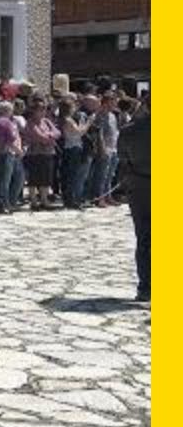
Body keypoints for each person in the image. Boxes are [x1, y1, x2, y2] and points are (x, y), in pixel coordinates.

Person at [117, 94, 149, 302]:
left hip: (140, 186)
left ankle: (146, 287)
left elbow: (123, 160)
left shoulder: (130, 130)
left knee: (145, 238)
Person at [21, 98, 60, 210]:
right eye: (40, 109)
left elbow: (58, 132)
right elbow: (40, 137)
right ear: (34, 111)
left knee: (46, 178)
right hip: (34, 154)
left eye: (44, 109)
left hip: (48, 153)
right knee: (34, 178)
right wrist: (50, 136)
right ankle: (33, 201)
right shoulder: (30, 123)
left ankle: (44, 200)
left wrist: (49, 135)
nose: (43, 112)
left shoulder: (46, 121)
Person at [0, 101, 22, 214]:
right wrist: (19, 151)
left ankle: (3, 203)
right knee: (6, 181)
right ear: (8, 111)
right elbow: (11, 140)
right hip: (7, 153)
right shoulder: (7, 122)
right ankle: (4, 204)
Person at [59, 98, 92, 209]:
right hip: (73, 148)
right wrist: (88, 122)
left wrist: (83, 123)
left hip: (74, 148)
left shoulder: (68, 119)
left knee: (72, 175)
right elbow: (79, 132)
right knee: (72, 175)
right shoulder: (68, 120)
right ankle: (71, 200)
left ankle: (72, 199)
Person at [91, 93, 120, 207]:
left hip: (114, 148)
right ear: (107, 102)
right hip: (105, 148)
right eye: (113, 101)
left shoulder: (113, 115)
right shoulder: (100, 115)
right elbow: (100, 133)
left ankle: (109, 196)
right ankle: (99, 197)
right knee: (101, 174)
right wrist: (102, 148)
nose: (115, 104)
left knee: (110, 175)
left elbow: (115, 131)